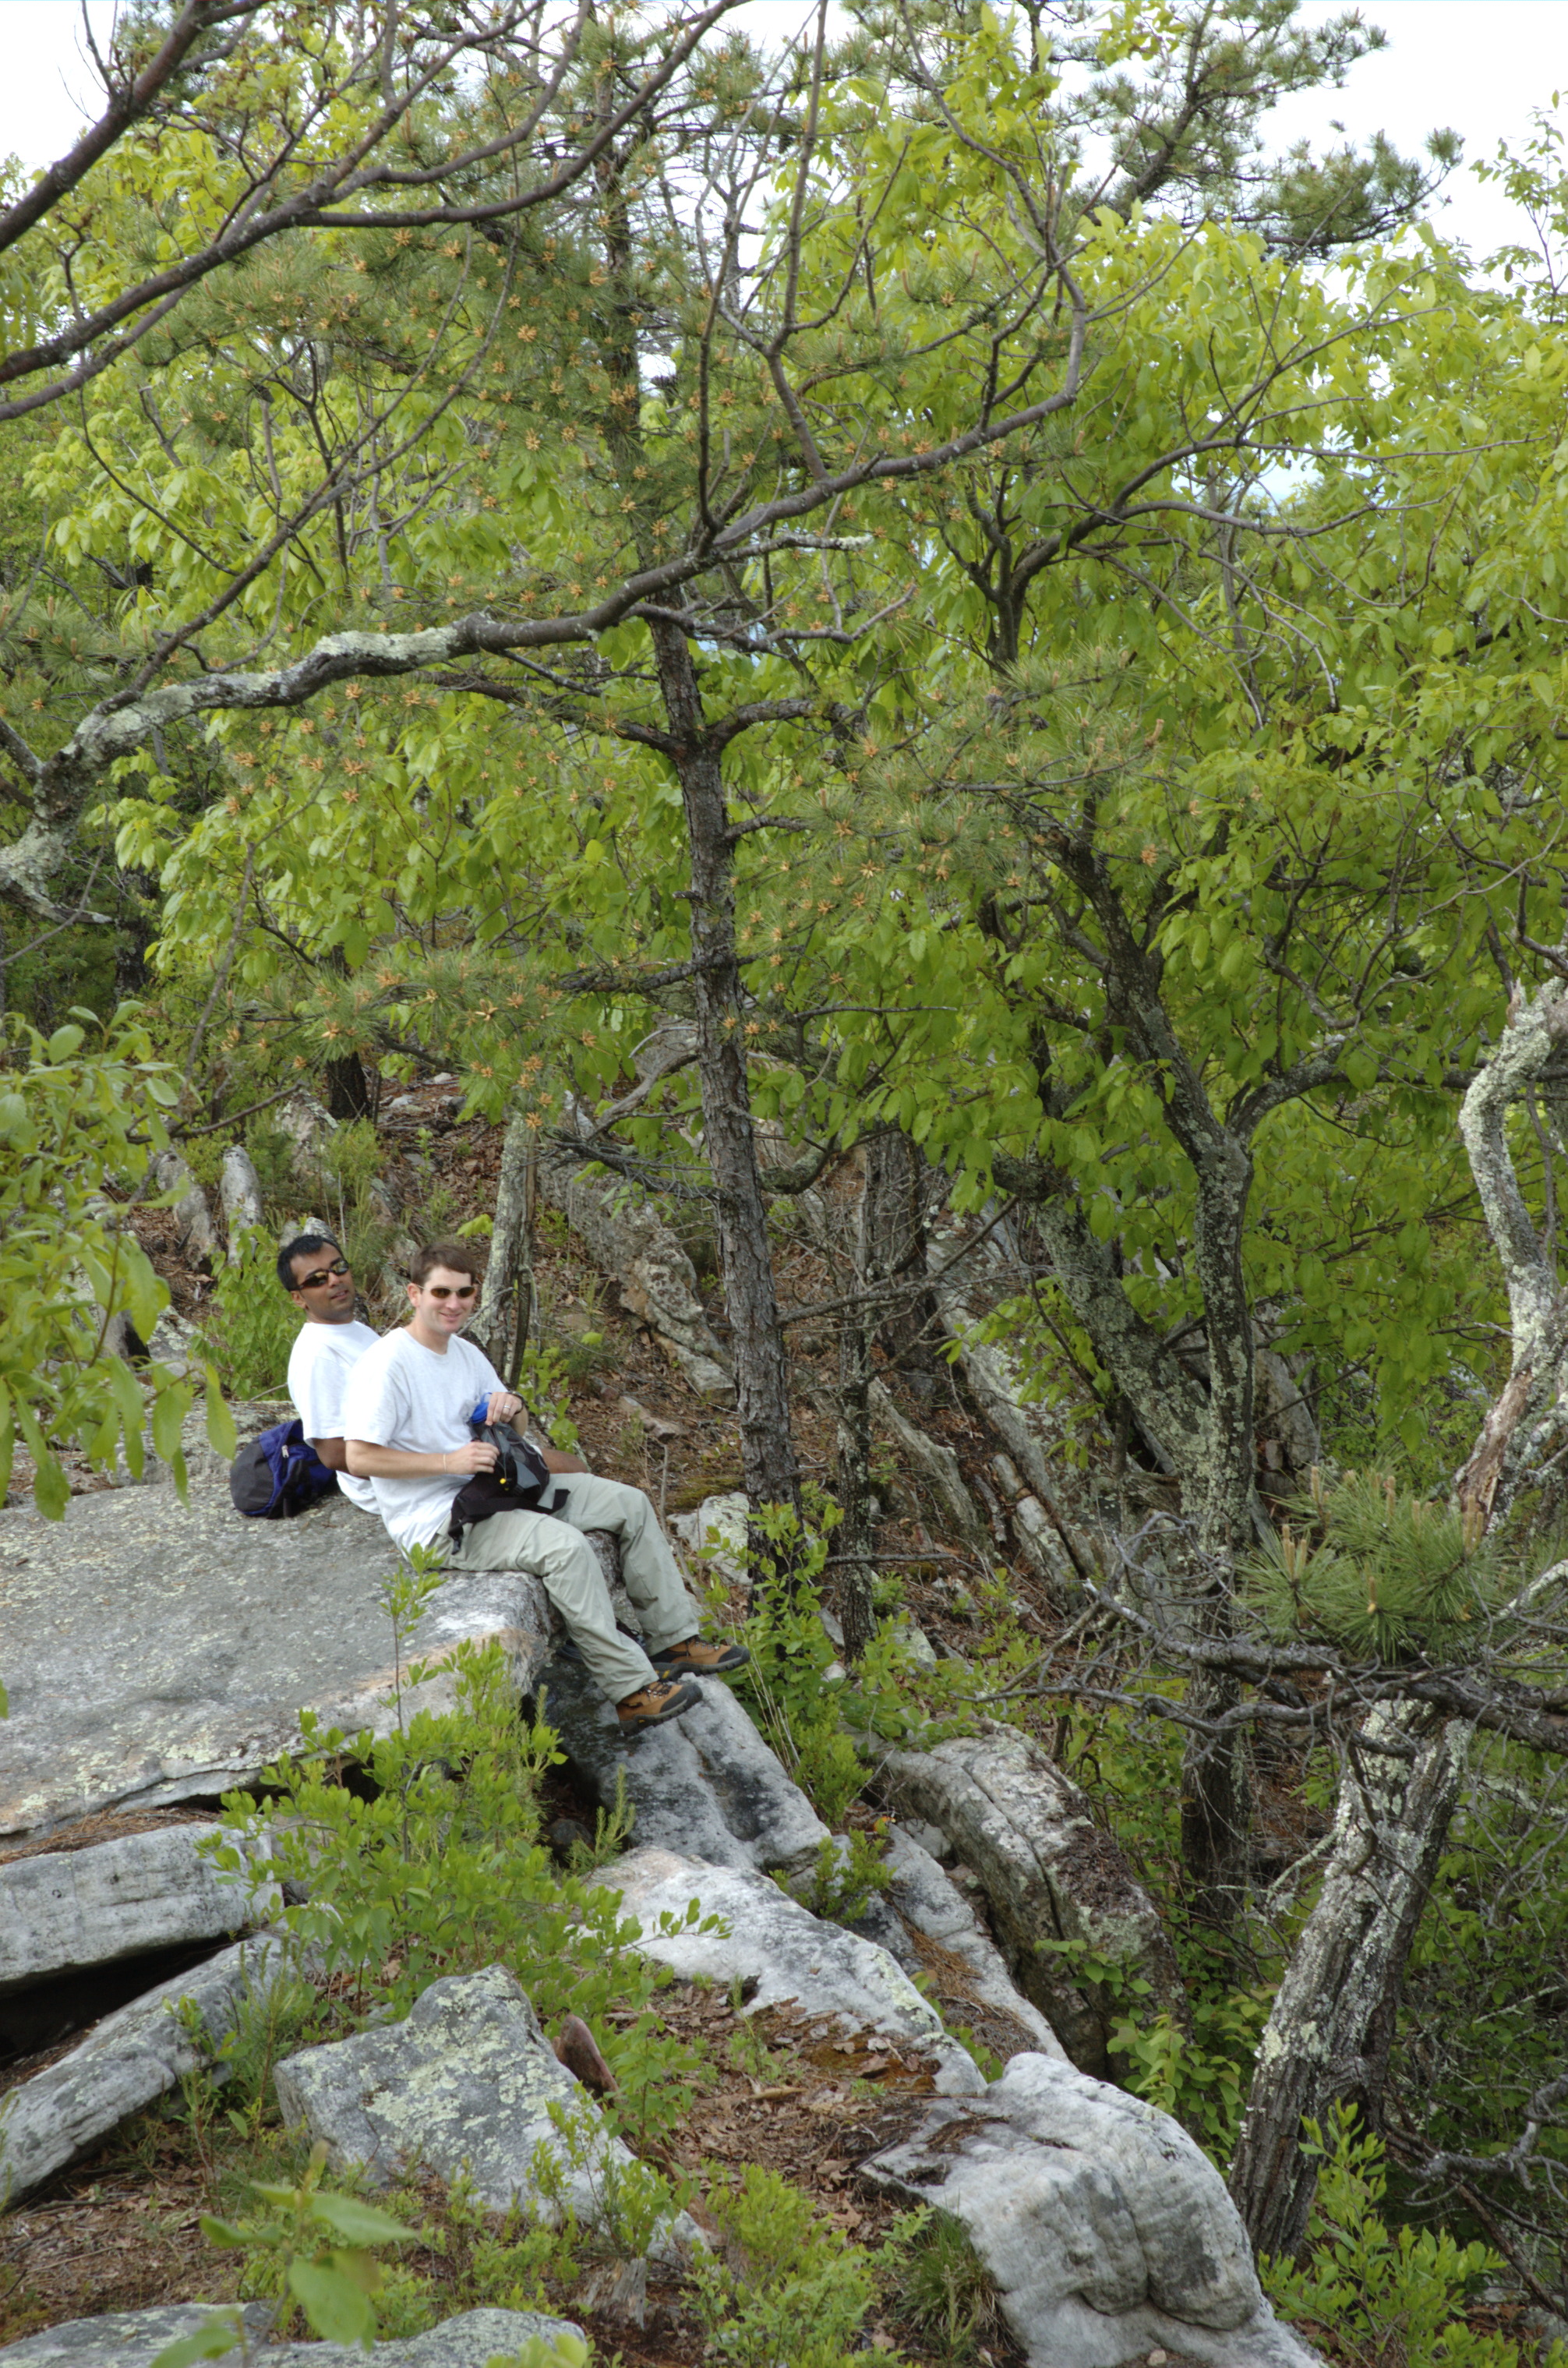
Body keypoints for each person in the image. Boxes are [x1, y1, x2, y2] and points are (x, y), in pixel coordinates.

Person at [341, 1239, 747, 1731]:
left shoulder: (465, 1354)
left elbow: (519, 1430)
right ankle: (632, 1691)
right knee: (565, 1548)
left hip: (499, 1491)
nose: (454, 1304)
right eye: (441, 1292)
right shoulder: (388, 1363)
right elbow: (357, 1457)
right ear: (414, 1293)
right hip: (440, 1520)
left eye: (465, 1293)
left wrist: (512, 1405)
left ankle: (674, 1639)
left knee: (631, 1503)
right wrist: (449, 1459)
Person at [279, 1232, 380, 1516]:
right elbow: (334, 1454)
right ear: (299, 1298)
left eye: (339, 1268)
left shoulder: (356, 1330)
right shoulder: (316, 1355)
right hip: (390, 1488)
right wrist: (418, 1469)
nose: (334, 1280)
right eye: (317, 1279)